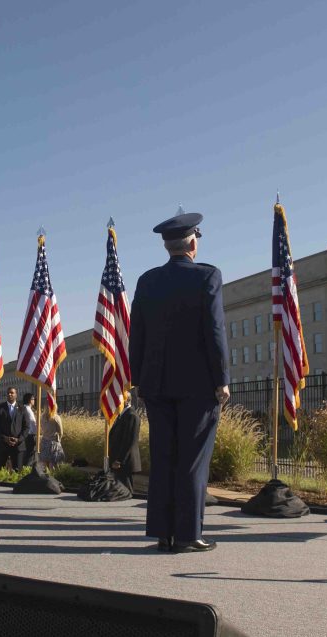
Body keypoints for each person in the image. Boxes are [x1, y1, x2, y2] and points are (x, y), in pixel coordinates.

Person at [129, 211, 230, 554]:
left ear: (167, 245)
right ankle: (188, 534)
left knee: (163, 457)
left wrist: (137, 380)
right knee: (192, 459)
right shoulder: (208, 276)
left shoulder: (147, 281)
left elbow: (137, 334)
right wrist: (222, 379)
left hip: (156, 383)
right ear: (192, 242)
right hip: (198, 385)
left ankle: (163, 533)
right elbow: (215, 331)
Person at [107, 392, 142, 493]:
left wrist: (119, 460)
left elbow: (130, 440)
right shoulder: (121, 415)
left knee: (126, 491)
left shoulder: (132, 416)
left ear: (126, 401)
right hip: (118, 461)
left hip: (124, 462)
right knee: (121, 491)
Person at [0, 387, 22, 469]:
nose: (9, 394)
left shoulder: (22, 408)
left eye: (12, 393)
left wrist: (18, 439)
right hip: (2, 445)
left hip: (17, 445)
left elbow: (26, 426)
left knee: (17, 470)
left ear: (16, 395)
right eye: (8, 393)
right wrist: (4, 438)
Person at [18, 392, 38, 468]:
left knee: (27, 455)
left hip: (25, 435)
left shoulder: (23, 408)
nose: (34, 401)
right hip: (29, 435)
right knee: (29, 455)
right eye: (33, 399)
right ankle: (27, 471)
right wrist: (37, 433)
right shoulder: (28, 410)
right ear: (30, 400)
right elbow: (32, 423)